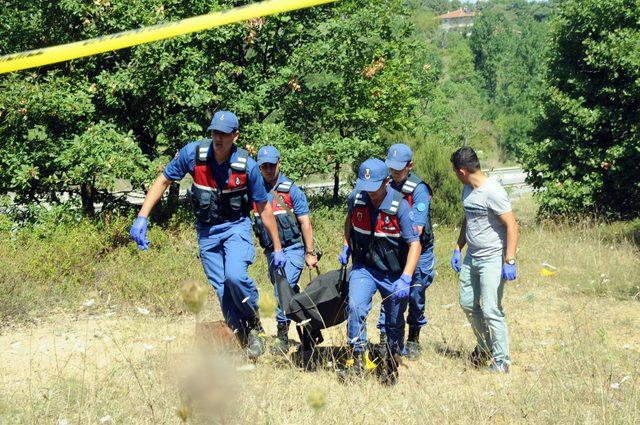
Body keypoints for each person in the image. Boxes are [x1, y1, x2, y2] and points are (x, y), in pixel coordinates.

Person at [129, 111, 286, 359]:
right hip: (207, 232)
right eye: (214, 132)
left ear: (235, 136)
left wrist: (277, 247)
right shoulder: (194, 154)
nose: (218, 138)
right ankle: (243, 338)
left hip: (236, 227)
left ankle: (254, 324)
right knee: (223, 290)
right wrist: (142, 216)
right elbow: (163, 180)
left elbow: (263, 208)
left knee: (235, 276)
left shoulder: (248, 166)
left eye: (224, 134)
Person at [339, 158, 421, 381]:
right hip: (364, 267)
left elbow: (415, 244)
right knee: (355, 308)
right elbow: (350, 221)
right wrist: (347, 245)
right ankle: (357, 359)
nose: (370, 194)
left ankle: (391, 363)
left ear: (386, 181)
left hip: (393, 273)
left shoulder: (400, 206)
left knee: (394, 320)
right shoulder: (356, 198)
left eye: (374, 188)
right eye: (365, 188)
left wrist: (406, 277)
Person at [449, 146, 518, 373]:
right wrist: (459, 248)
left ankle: (502, 360)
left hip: (492, 258)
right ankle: (484, 347)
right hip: (472, 257)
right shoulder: (467, 190)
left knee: (491, 309)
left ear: (461, 171)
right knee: (468, 303)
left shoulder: (493, 192)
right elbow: (468, 220)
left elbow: (512, 226)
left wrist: (509, 260)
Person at [251, 145, 319, 355]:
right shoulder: (254, 190)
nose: (269, 169)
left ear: (279, 163)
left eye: (272, 165)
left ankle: (282, 336)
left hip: (293, 249)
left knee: (282, 290)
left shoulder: (291, 191)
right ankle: (302, 314)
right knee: (287, 292)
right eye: (264, 166)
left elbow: (305, 223)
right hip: (271, 252)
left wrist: (309, 252)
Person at [377, 143, 435, 359]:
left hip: (418, 249)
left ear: (410, 165)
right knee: (390, 294)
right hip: (394, 251)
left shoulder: (419, 189)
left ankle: (413, 337)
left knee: (415, 295)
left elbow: (417, 229)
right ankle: (386, 338)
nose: (394, 172)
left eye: (399, 168)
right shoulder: (386, 185)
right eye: (391, 168)